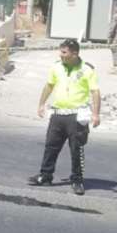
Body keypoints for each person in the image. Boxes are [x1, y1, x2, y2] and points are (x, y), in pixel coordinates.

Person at [29, 39, 101, 196]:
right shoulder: (56, 67)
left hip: (77, 115)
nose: (60, 55)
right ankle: (45, 176)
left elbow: (95, 92)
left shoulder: (87, 69)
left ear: (74, 53)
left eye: (64, 52)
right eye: (60, 51)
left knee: (76, 149)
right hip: (58, 114)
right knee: (51, 146)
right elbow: (49, 85)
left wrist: (96, 114)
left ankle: (77, 180)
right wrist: (41, 104)